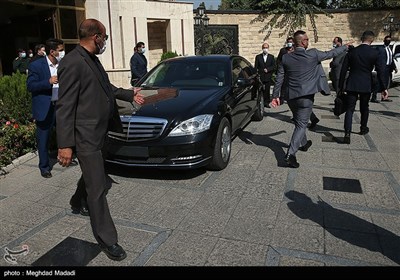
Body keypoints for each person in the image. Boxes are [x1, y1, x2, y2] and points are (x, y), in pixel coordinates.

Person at [56, 18, 144, 261]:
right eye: (104, 37)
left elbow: (107, 88)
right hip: (86, 137)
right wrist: (65, 144)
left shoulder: (92, 60)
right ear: (96, 37)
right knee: (97, 188)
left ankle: (76, 200)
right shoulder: (73, 63)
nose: (105, 41)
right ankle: (108, 239)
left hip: (100, 132)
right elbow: (64, 107)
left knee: (93, 176)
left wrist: (129, 93)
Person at [270, 30, 350, 168]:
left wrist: (275, 96)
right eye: (306, 39)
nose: (308, 41)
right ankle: (290, 154)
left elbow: (279, 78)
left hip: (291, 97)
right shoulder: (313, 54)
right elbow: (330, 53)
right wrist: (345, 47)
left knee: (298, 121)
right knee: (301, 124)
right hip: (306, 97)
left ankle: (304, 143)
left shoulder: (286, 58)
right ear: (302, 42)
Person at [338, 30, 387, 144]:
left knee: (350, 109)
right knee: (364, 107)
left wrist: (340, 87)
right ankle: (363, 128)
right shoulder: (374, 53)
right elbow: (381, 70)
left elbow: (343, 70)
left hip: (352, 83)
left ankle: (347, 133)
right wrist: (384, 87)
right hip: (366, 84)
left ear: (361, 38)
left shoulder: (352, 52)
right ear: (372, 40)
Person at [26, 38, 65, 178]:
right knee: (43, 139)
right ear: (52, 51)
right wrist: (48, 82)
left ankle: (65, 158)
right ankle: (44, 167)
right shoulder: (36, 65)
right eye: (60, 50)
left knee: (64, 135)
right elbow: (30, 86)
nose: (63, 53)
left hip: (61, 106)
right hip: (45, 108)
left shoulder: (63, 64)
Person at [371, 35, 397, 103]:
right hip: (381, 68)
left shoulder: (389, 49)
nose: (388, 41)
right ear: (384, 40)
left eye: (389, 40)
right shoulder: (380, 49)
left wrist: (394, 67)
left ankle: (384, 97)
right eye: (387, 40)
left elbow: (391, 59)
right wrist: (378, 66)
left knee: (386, 83)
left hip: (388, 68)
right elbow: (376, 58)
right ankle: (374, 97)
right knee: (378, 83)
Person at [254, 42, 276, 106]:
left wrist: (268, 69)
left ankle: (267, 103)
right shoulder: (258, 57)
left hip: (268, 76)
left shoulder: (271, 57)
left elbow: (274, 66)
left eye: (266, 47)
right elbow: (256, 67)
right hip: (261, 76)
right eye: (264, 48)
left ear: (268, 48)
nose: (265, 49)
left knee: (267, 90)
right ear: (262, 48)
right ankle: (261, 102)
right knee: (261, 90)